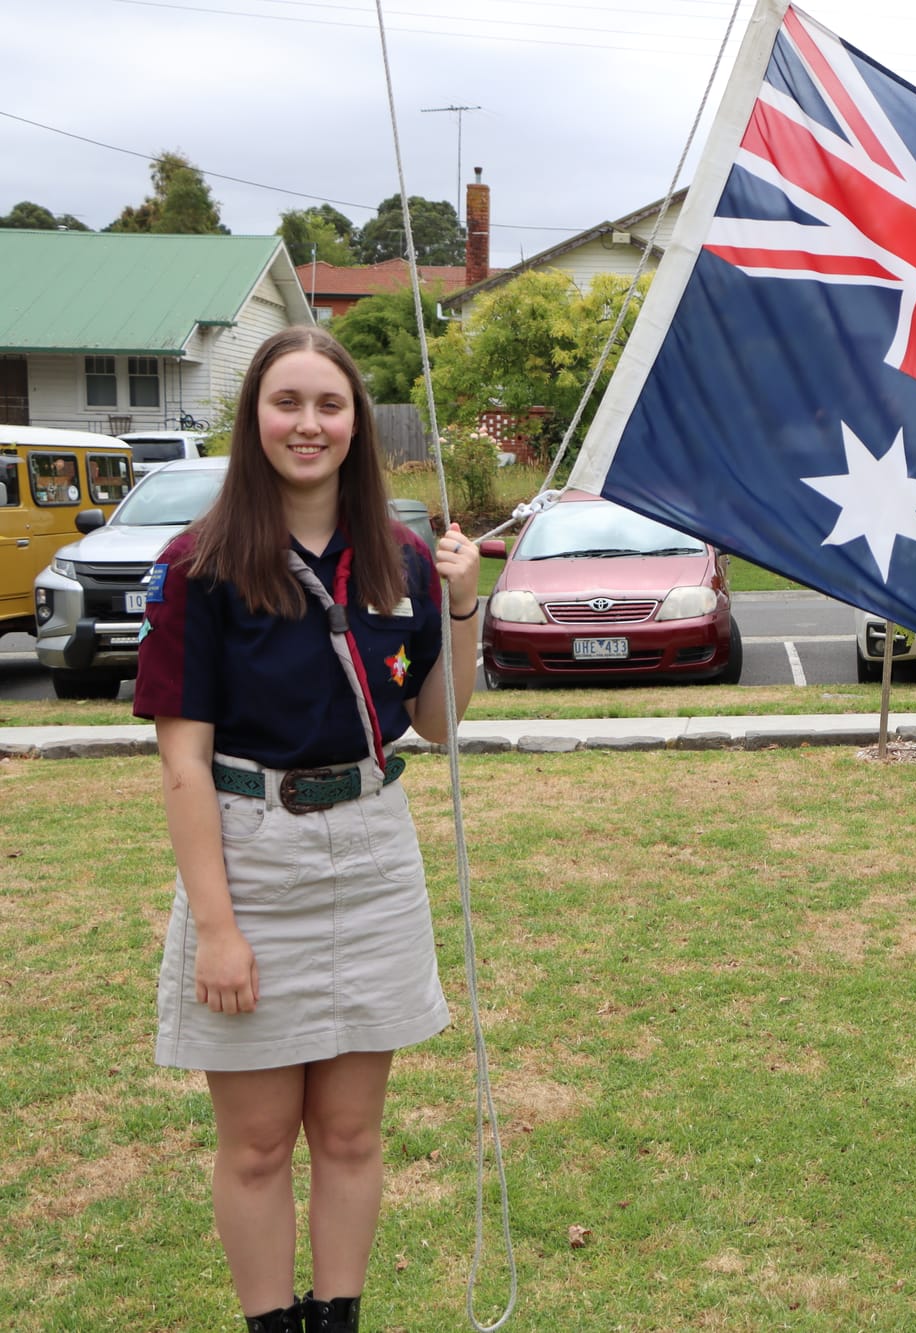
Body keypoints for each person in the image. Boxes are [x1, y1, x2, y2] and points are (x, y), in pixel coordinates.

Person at [134, 326, 480, 1332]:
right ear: (253, 418)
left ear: (356, 424)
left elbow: (440, 725)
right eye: (286, 403)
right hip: (252, 854)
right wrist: (220, 926)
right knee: (254, 1143)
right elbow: (181, 763)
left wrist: (464, 611)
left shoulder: (402, 557)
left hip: (371, 853)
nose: (308, 424)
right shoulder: (199, 563)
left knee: (350, 1132)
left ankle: (338, 1319)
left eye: (329, 405)